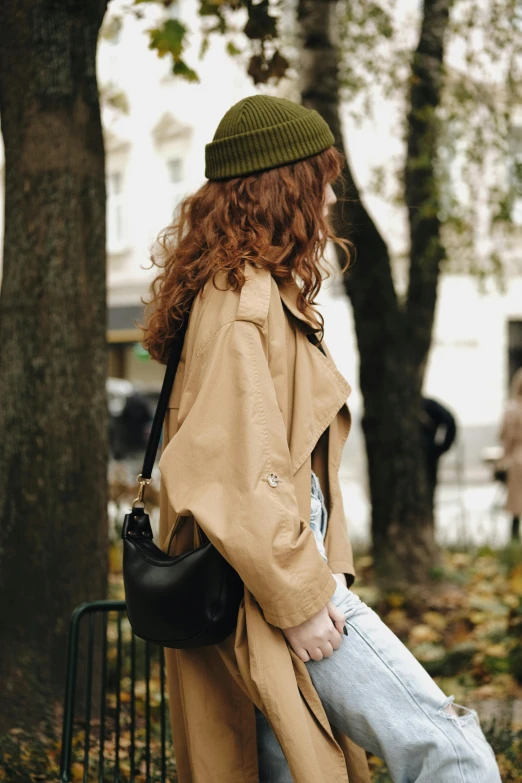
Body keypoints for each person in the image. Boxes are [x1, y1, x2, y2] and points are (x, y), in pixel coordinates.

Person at [143, 96, 501, 783]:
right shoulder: (244, 299)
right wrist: (304, 600)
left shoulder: (246, 290)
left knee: (289, 764)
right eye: (322, 178)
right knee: (450, 752)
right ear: (284, 187)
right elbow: (238, 472)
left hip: (265, 570)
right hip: (277, 571)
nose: (332, 196)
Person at [420, 397, 457, 507]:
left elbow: (450, 421)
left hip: (427, 457)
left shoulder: (426, 405)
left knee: (427, 493)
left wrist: (441, 448)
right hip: (428, 455)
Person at [500, 367, 522, 540]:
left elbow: (505, 437)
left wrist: (504, 457)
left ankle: (514, 539)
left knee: (517, 503)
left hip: (518, 456)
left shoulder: (512, 408)